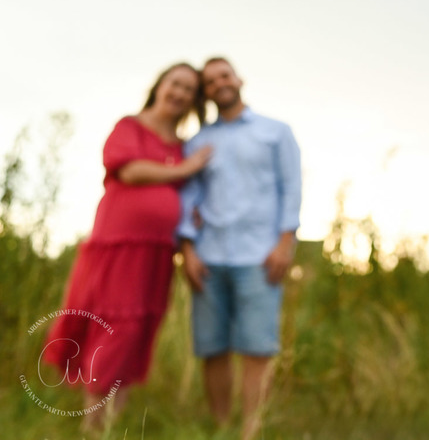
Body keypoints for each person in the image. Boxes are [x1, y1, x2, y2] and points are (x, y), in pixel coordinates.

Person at [44, 62, 210, 429]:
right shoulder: (130, 127)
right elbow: (130, 170)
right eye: (175, 84)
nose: (180, 93)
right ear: (160, 85)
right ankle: (92, 426)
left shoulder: (183, 145)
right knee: (113, 325)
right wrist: (185, 170)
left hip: (159, 251)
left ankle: (109, 425)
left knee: (136, 331)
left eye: (189, 90)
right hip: (120, 245)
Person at [177, 57, 302, 440]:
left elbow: (291, 189)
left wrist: (285, 243)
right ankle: (220, 427)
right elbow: (188, 199)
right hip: (209, 257)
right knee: (211, 346)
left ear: (238, 79)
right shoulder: (198, 142)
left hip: (260, 256)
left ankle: (251, 429)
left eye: (224, 76)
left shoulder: (275, 132)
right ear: (206, 93)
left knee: (257, 346)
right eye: (210, 82)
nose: (219, 84)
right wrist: (188, 251)